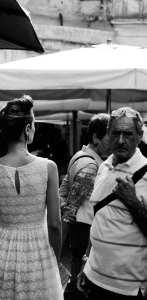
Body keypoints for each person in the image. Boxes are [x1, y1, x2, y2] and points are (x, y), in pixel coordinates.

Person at [0, 94, 63, 299]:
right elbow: (55, 224)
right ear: (27, 129)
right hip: (38, 256)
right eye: (33, 123)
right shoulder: (48, 168)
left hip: (1, 255)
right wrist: (56, 261)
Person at [78, 107, 147, 300]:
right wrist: (86, 261)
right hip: (94, 280)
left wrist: (133, 202)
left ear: (139, 136)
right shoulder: (103, 167)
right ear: (108, 134)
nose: (121, 140)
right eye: (115, 133)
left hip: (127, 289)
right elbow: (98, 219)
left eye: (128, 134)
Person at [59, 113, 110, 299]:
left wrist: (66, 207)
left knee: (78, 272)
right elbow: (71, 204)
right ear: (96, 138)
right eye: (108, 137)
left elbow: (62, 193)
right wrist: (69, 210)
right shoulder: (90, 166)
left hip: (78, 229)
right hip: (86, 229)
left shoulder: (78, 156)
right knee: (82, 278)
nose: (112, 143)